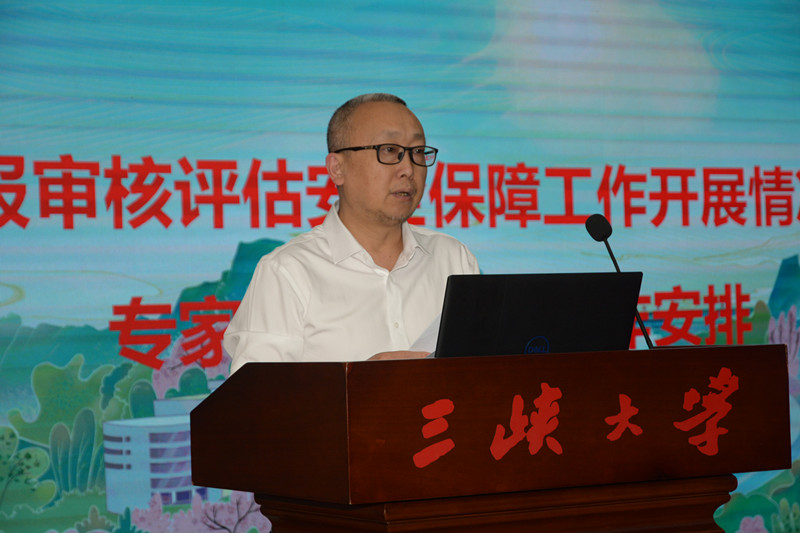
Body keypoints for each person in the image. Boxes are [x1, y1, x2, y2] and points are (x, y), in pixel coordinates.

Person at [223, 93, 479, 373]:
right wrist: (354, 384)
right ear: (337, 168)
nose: (408, 169)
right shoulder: (287, 272)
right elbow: (258, 397)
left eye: (417, 151)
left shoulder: (453, 258)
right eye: (389, 150)